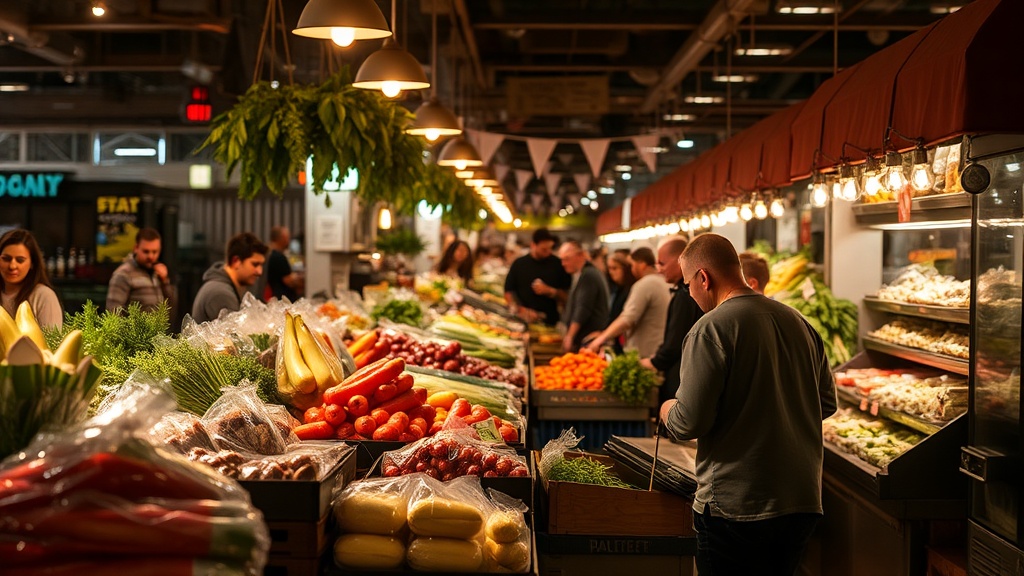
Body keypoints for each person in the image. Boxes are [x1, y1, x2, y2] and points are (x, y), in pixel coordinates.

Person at [659, 233, 837, 576]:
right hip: (801, 501)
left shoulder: (709, 329)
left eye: (687, 285)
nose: (690, 294)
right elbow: (825, 404)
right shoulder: (798, 322)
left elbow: (687, 423)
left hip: (736, 504)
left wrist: (668, 407)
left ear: (704, 278)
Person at [640, 237, 703, 405]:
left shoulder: (685, 295)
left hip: (682, 380)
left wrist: (654, 362)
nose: (659, 270)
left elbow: (675, 343)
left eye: (662, 263)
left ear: (680, 260)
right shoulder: (684, 292)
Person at [586, 246, 669, 358]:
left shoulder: (645, 284)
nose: (632, 269)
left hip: (646, 354)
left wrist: (601, 339)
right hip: (657, 351)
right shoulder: (661, 281)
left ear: (642, 265)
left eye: (633, 265)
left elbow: (627, 318)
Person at [191, 232, 268, 324]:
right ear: (236, 261)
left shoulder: (223, 287)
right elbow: (233, 336)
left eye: (261, 265)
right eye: (255, 264)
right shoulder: (221, 293)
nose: (260, 271)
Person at [503, 229, 571, 325]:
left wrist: (551, 291)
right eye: (544, 249)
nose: (548, 252)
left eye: (550, 248)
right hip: (521, 321)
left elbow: (568, 296)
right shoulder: (519, 264)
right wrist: (517, 308)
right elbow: (508, 291)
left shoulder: (558, 265)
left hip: (550, 322)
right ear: (533, 245)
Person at [0, 229, 62, 328]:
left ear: (32, 263)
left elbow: (53, 342)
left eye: (20, 260)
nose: (12, 266)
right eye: (6, 259)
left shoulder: (43, 296)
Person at [105, 227, 174, 313]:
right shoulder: (123, 274)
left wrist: (165, 281)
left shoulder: (156, 273)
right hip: (134, 326)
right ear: (136, 248)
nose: (151, 256)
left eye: (155, 252)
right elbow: (113, 313)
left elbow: (170, 309)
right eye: (146, 251)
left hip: (157, 326)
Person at [557, 240, 609, 352]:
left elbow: (583, 308)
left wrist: (570, 336)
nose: (563, 264)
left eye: (567, 259)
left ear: (580, 255)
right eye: (562, 260)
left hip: (589, 341)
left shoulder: (588, 275)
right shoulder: (581, 274)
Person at [598, 251, 636, 354]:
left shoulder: (632, 289)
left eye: (615, 268)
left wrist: (604, 336)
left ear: (625, 269)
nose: (611, 272)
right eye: (609, 268)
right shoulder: (617, 289)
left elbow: (625, 317)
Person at [266, 226, 303, 301]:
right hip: (282, 302)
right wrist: (298, 280)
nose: (289, 241)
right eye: (287, 237)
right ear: (282, 238)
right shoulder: (278, 257)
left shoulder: (272, 255)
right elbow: (289, 281)